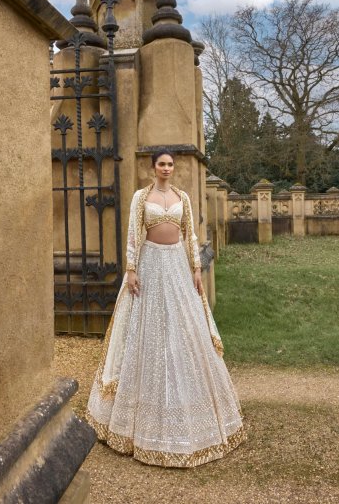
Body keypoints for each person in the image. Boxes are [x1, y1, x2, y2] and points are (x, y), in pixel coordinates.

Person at [86, 150, 246, 467]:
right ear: (153, 168)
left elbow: (190, 235)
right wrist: (131, 269)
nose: (166, 168)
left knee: (183, 330)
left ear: (174, 168)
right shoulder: (140, 197)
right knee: (147, 332)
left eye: (170, 164)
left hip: (176, 265)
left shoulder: (182, 198)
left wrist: (196, 269)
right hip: (149, 265)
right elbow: (134, 234)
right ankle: (134, 421)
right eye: (161, 164)